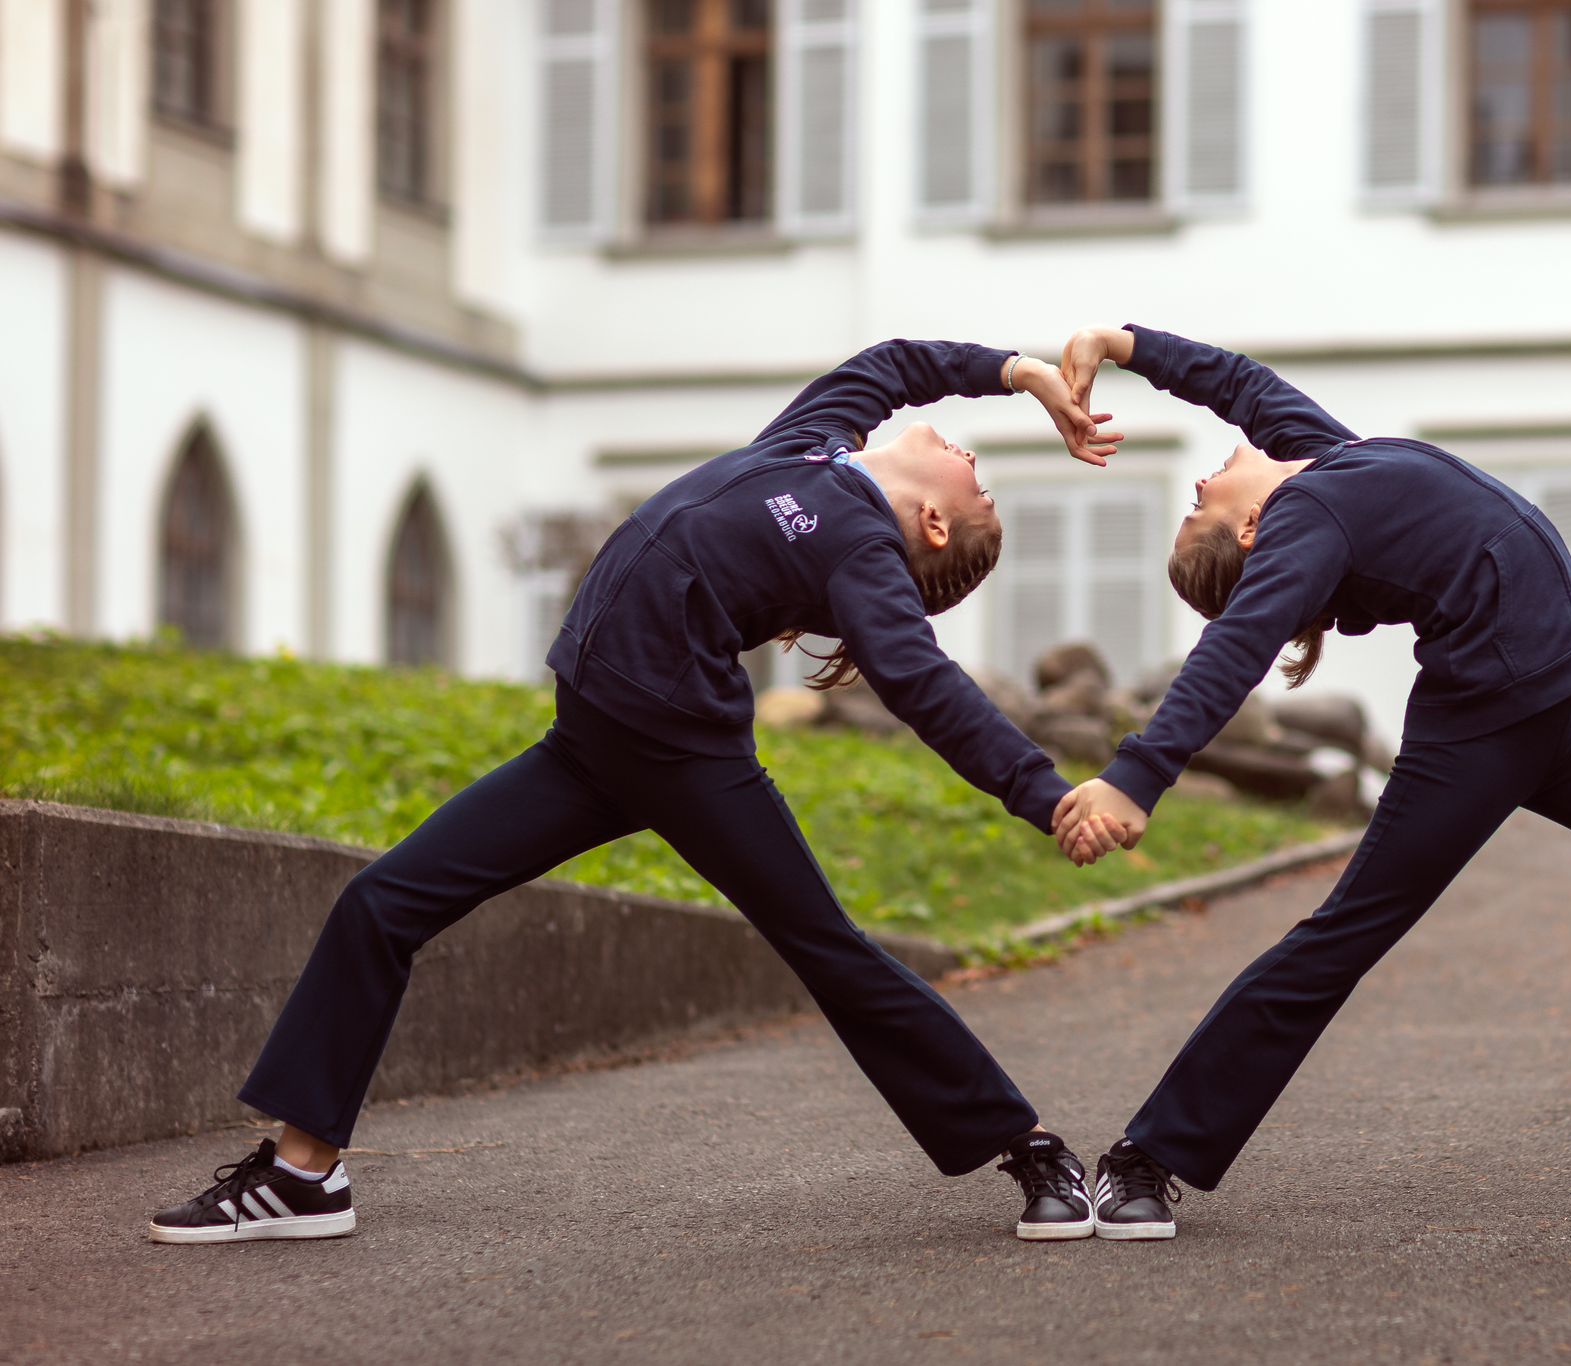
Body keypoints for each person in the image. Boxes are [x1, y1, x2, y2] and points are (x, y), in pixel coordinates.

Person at [147, 340, 1128, 1245]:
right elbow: (894, 362)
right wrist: (1022, 375)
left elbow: (926, 687)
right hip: (590, 742)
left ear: (932, 519)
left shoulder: (859, 550)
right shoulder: (812, 445)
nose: (968, 456)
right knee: (381, 904)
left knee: (827, 948)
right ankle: (302, 1173)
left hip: (681, 753)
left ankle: (1030, 1145)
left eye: (979, 485)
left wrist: (1042, 793)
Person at [1052, 323, 1571, 1240]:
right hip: (1485, 730)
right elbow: (1231, 651)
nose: (1205, 477)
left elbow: (1240, 383)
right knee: (1341, 936)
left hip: (1557, 716)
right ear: (1252, 530)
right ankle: (1146, 1158)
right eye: (1196, 504)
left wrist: (1126, 345)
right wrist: (1137, 777)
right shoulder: (1307, 517)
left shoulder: (1321, 463)